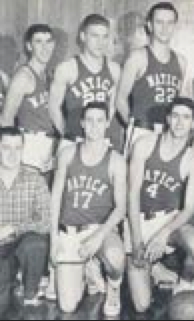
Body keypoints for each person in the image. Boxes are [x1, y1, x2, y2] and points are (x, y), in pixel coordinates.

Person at [127, 97, 194, 313]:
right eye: (176, 116)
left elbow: (188, 208)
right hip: (137, 219)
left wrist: (163, 234)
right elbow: (132, 195)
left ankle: (184, 283)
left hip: (168, 220)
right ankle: (152, 268)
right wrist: (136, 240)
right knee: (142, 305)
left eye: (187, 117)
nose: (181, 123)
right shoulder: (144, 144)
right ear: (168, 119)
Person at [50, 102, 126, 317]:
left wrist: (98, 237)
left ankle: (113, 287)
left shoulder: (116, 160)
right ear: (82, 123)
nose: (94, 126)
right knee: (67, 306)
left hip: (99, 229)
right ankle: (87, 269)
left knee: (115, 256)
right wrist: (54, 239)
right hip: (70, 231)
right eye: (89, 120)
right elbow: (55, 198)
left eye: (100, 120)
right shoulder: (66, 154)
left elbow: (121, 208)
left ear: (107, 124)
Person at [116, 2, 187, 153]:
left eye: (169, 23)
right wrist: (133, 125)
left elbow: (179, 99)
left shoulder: (181, 61)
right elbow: (120, 99)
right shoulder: (138, 57)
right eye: (159, 22)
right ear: (149, 25)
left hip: (169, 133)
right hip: (143, 130)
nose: (164, 28)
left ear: (175, 26)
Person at [49, 14, 123, 152]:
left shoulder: (114, 69)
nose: (100, 42)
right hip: (74, 139)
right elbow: (53, 108)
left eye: (105, 36)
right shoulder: (66, 68)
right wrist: (68, 134)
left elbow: (112, 107)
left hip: (102, 141)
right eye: (95, 36)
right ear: (83, 36)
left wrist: (98, 134)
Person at [0, 127, 50, 310]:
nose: (12, 154)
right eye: (6, 148)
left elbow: (46, 221)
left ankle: (30, 294)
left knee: (36, 244)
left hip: (21, 243)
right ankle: (10, 279)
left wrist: (14, 228)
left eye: (17, 148)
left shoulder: (35, 179)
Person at [1, 25, 57, 172]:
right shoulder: (23, 77)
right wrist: (12, 152)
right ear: (29, 46)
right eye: (39, 42)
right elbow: (6, 118)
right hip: (29, 143)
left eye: (48, 41)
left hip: (48, 143)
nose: (45, 47)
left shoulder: (50, 75)